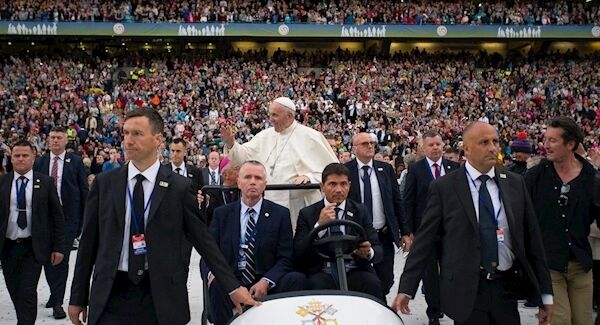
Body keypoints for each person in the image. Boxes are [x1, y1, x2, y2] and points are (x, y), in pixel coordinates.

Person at [68, 109, 258, 325]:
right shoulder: (105, 184)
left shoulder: (179, 187)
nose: (128, 140)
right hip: (112, 293)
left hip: (161, 296)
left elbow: (204, 242)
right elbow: (88, 245)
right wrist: (78, 296)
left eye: (137, 134)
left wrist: (232, 286)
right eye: (126, 133)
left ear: (158, 139)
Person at [393, 122, 553, 325]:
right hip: (467, 289)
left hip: (507, 288)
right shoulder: (445, 187)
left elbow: (533, 241)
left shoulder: (514, 183)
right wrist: (407, 287)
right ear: (466, 149)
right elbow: (424, 240)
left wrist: (545, 294)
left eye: (495, 141)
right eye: (484, 142)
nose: (493, 147)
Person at [201, 160, 306, 325]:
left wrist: (266, 281)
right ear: (239, 182)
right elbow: (209, 255)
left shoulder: (280, 214)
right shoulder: (222, 214)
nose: (252, 182)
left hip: (265, 278)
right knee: (216, 282)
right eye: (247, 177)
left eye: (258, 178)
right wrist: (222, 280)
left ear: (265, 184)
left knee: (296, 278)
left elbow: (285, 258)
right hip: (231, 279)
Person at [525, 116, 600, 325]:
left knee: (583, 321)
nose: (545, 145)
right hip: (549, 265)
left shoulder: (591, 178)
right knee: (560, 321)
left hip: (580, 265)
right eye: (545, 139)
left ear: (571, 144)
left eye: (552, 140)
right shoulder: (535, 177)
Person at [221, 97, 338, 228]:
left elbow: (333, 171)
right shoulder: (265, 136)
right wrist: (231, 143)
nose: (270, 119)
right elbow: (243, 157)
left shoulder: (311, 136)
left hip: (301, 203)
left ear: (289, 116)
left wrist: (309, 177)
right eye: (270, 114)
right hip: (271, 200)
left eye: (275, 115)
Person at [293, 163, 383, 300]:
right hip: (321, 270)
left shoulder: (360, 211)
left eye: (343, 184)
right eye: (332, 184)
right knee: (314, 286)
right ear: (322, 187)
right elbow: (298, 252)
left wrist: (368, 252)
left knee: (373, 284)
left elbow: (377, 248)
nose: (339, 190)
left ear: (349, 185)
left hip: (354, 269)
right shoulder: (308, 213)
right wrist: (318, 226)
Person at [0, 140, 65, 325]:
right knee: (14, 289)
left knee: (27, 291)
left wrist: (58, 247)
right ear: (11, 158)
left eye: (25, 155)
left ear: (33, 158)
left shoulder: (45, 182)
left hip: (33, 247)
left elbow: (57, 217)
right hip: (8, 247)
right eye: (16, 156)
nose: (21, 159)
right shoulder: (3, 182)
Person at [402, 130, 460, 324]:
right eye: (431, 145)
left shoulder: (454, 167)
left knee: (451, 270)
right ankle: (434, 311)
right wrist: (408, 231)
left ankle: (450, 304)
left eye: (438, 144)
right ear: (423, 148)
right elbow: (408, 201)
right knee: (430, 275)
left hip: (451, 230)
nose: (435, 148)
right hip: (425, 231)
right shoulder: (416, 170)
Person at [345, 132, 411, 297]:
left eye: (372, 143)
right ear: (354, 148)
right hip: (357, 236)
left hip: (383, 235)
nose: (370, 146)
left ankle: (378, 304)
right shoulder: (346, 170)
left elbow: (397, 201)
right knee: (363, 279)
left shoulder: (385, 169)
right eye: (364, 143)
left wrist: (404, 232)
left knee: (386, 279)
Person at [33, 126, 89, 320]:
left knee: (61, 259)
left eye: (59, 138)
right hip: (44, 220)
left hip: (68, 219)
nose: (55, 141)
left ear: (66, 140)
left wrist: (83, 221)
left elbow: (83, 192)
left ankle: (58, 302)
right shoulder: (40, 162)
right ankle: (54, 292)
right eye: (52, 138)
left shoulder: (75, 162)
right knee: (48, 258)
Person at [202, 157, 240, 225]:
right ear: (226, 175)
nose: (240, 172)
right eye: (237, 169)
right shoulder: (213, 192)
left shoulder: (243, 192)